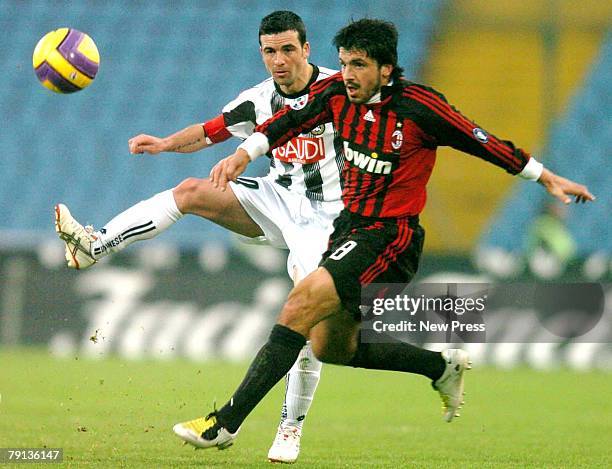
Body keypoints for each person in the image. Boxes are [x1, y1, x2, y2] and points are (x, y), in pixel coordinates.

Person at [172, 18, 596, 452]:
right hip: (349, 231)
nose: (348, 74)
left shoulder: (420, 108)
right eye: (343, 63)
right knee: (331, 348)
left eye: (359, 64)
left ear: (386, 69)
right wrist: (245, 153)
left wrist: (546, 178)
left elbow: (482, 141)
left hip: (391, 238)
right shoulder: (335, 93)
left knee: (300, 302)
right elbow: (287, 122)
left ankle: (224, 424)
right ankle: (441, 367)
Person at [54, 11, 345, 464]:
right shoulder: (257, 100)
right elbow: (210, 132)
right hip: (278, 199)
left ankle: (290, 427)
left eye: (289, 49)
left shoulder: (340, 91)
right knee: (190, 191)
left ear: (307, 50)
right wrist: (166, 143)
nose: (280, 60)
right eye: (270, 51)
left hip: (330, 218)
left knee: (309, 318)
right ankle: (96, 246)